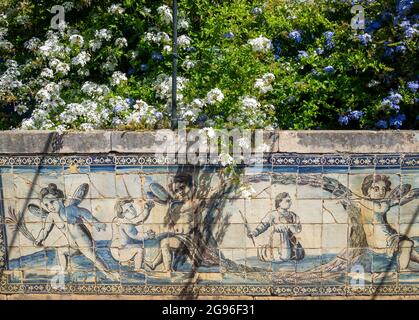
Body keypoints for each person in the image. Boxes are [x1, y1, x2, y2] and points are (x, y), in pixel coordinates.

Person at [32, 183, 119, 281]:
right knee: (60, 251)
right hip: (73, 245)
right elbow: (45, 230)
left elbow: (84, 213)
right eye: (47, 204)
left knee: (94, 258)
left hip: (84, 242)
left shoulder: (70, 209)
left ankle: (109, 274)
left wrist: (96, 223)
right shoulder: (51, 216)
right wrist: (38, 240)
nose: (50, 206)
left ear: (60, 200)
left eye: (52, 202)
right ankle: (63, 272)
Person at [358, 174, 419, 271]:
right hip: (385, 242)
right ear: (368, 190)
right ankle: (402, 269)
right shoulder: (366, 202)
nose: (381, 192)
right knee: (407, 244)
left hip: (388, 238)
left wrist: (407, 197)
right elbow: (382, 208)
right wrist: (391, 201)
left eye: (384, 189)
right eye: (376, 189)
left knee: (409, 251)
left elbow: (394, 203)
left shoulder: (373, 202)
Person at [146, 174, 198, 272]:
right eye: (177, 190)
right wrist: (154, 196)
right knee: (164, 240)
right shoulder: (175, 203)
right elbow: (154, 196)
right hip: (178, 235)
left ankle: (167, 270)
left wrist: (170, 200)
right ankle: (154, 264)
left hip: (186, 237)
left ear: (190, 188)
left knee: (165, 243)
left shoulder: (191, 203)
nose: (180, 192)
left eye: (182, 188)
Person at [247, 192, 305, 262]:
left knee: (298, 255)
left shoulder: (293, 215)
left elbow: (298, 229)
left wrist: (290, 226)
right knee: (280, 258)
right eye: (287, 201)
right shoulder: (273, 214)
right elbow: (263, 225)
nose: (290, 203)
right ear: (279, 203)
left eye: (290, 201)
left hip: (290, 239)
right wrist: (254, 232)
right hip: (276, 238)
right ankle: (264, 250)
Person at [110, 199, 155, 271]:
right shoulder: (126, 224)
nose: (131, 210)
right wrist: (147, 235)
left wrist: (147, 210)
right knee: (140, 249)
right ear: (122, 213)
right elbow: (136, 236)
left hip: (117, 250)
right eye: (127, 210)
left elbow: (139, 220)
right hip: (120, 251)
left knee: (138, 245)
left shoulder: (118, 220)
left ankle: (126, 262)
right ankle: (137, 268)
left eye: (131, 206)